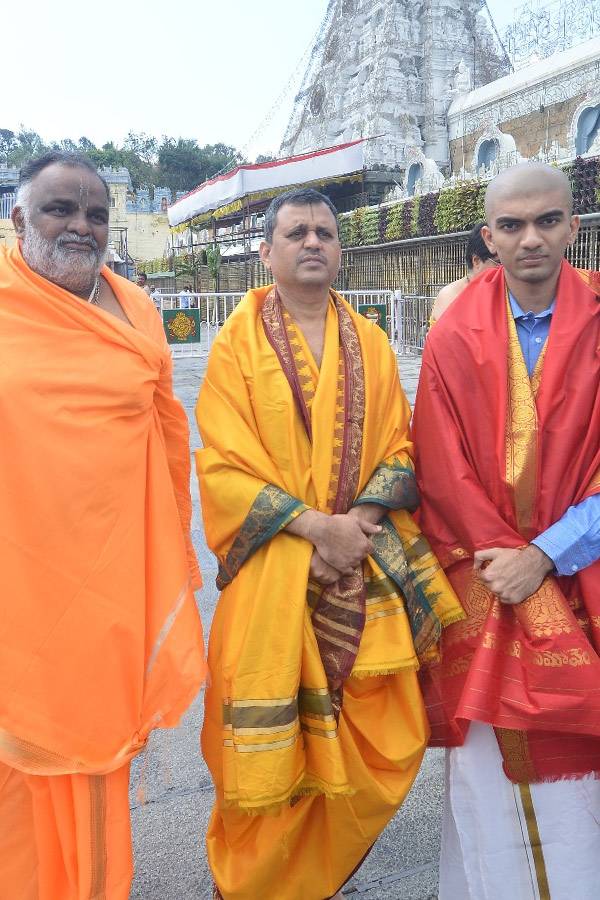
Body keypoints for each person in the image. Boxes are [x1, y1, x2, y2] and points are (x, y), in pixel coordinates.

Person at [196, 188, 462, 900]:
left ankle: (311, 877)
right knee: (269, 759)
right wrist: (313, 530)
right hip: (275, 571)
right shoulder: (235, 343)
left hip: (364, 554)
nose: (312, 242)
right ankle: (254, 885)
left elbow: (402, 446)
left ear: (340, 250)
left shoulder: (371, 341)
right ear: (267, 251)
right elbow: (222, 464)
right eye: (296, 233)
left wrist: (356, 524)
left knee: (391, 739)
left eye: (324, 232)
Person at [0, 151, 207, 899]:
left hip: (103, 587)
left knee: (89, 770)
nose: (80, 226)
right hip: (14, 583)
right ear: (19, 219)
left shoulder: (136, 308)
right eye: (61, 209)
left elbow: (164, 435)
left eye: (95, 214)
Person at [412, 162, 600, 899]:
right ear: (488, 236)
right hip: (487, 582)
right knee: (493, 785)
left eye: (547, 221)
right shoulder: (453, 331)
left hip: (584, 575)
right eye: (513, 225)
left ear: (572, 228)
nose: (531, 239)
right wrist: (508, 566)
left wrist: (547, 555)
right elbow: (438, 464)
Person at [429, 221, 498, 325]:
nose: (505, 270)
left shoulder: (499, 292)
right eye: (499, 263)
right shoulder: (450, 296)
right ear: (476, 261)